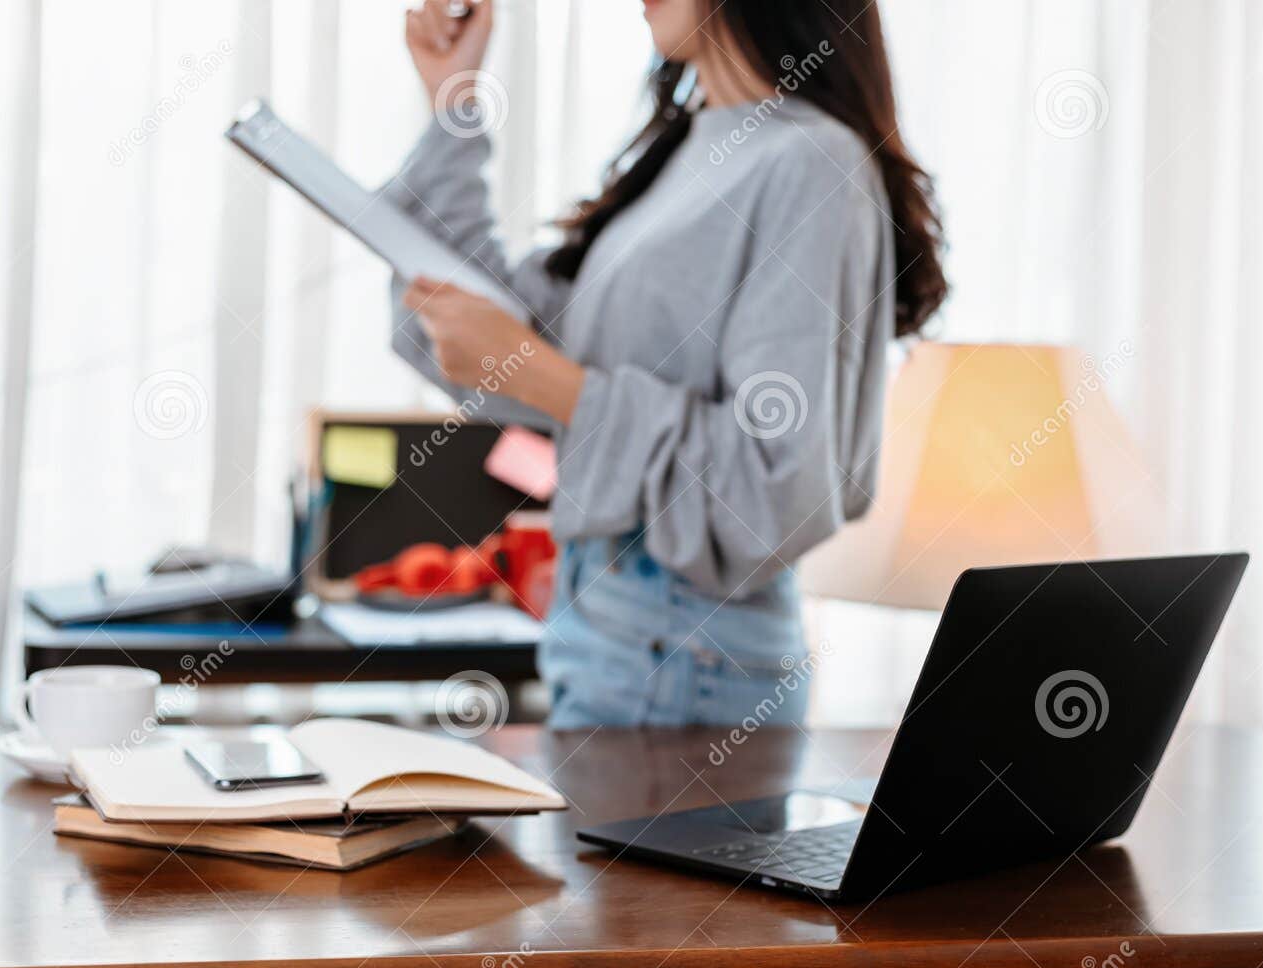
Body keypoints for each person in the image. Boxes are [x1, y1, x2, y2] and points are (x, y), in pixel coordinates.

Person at [386, 0, 947, 729]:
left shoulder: (811, 163)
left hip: (686, 645)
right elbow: (479, 307)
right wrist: (454, 98)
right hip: (614, 629)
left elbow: (776, 484)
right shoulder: (688, 153)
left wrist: (541, 378)